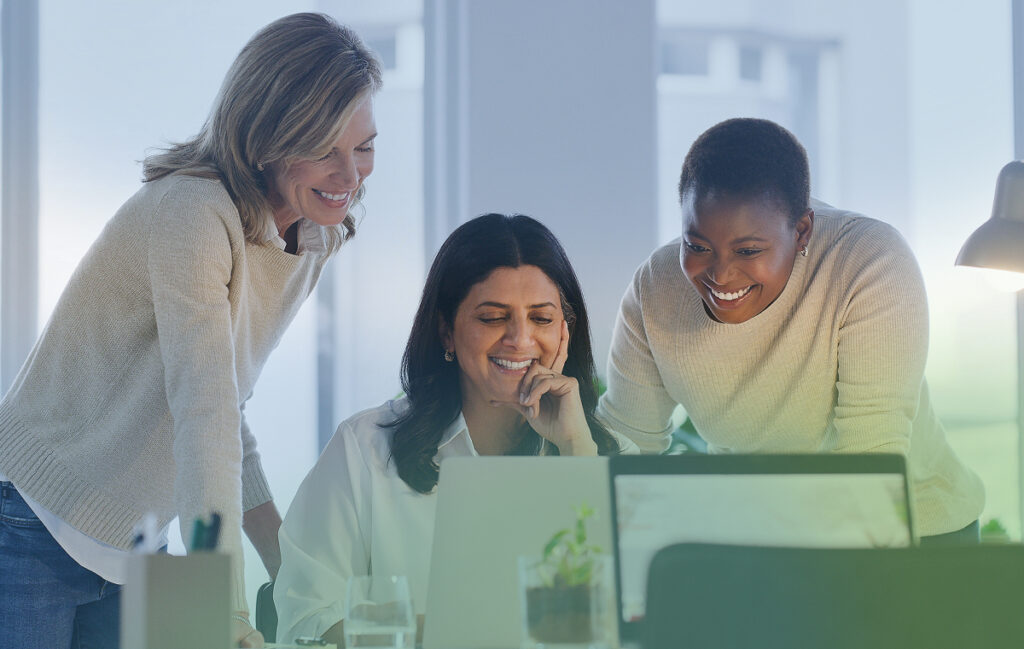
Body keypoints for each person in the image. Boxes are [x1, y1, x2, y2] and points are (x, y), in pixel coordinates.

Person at [0, 13, 381, 648]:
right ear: (265, 137)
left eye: (364, 147)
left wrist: (288, 568)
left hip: (133, 544)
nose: (351, 176)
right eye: (324, 150)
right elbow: (204, 410)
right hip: (30, 521)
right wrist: (222, 611)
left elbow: (226, 401)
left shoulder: (311, 238)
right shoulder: (193, 214)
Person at [596, 118, 985, 544]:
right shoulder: (656, 288)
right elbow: (626, 446)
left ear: (802, 231)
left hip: (915, 532)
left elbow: (871, 466)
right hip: (761, 531)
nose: (720, 275)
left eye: (748, 250)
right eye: (697, 246)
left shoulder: (869, 260)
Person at [274, 213, 635, 645]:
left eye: (541, 319)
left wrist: (576, 451)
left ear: (564, 333)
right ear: (446, 331)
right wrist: (465, 631)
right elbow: (306, 624)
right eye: (493, 317)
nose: (520, 339)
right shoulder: (363, 450)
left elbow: (632, 622)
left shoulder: (612, 458)